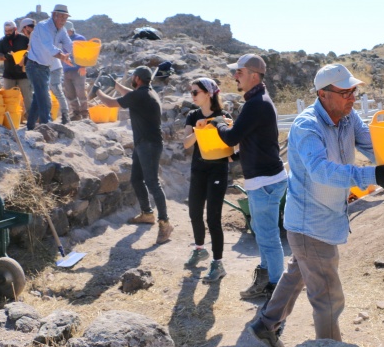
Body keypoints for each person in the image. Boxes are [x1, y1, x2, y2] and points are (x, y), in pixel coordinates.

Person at [248, 63, 384, 347]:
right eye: (345, 91)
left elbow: (373, 146)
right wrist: (374, 176)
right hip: (311, 225)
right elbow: (321, 171)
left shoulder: (348, 118)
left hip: (318, 222)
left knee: (297, 273)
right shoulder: (307, 126)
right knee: (328, 297)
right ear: (323, 94)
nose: (352, 97)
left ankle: (265, 323)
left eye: (354, 90)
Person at [198, 54, 287, 300]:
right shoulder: (258, 101)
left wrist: (217, 121)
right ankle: (267, 279)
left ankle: (276, 288)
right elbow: (257, 139)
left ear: (254, 75)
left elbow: (231, 137)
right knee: (263, 232)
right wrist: (237, 158)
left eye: (239, 72)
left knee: (268, 237)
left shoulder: (257, 103)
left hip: (265, 182)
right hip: (266, 180)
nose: (235, 76)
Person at [95, 66, 173, 245]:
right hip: (143, 144)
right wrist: (115, 84)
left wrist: (97, 90)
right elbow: (130, 93)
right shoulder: (147, 93)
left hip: (149, 145)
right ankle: (147, 213)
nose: (131, 79)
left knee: (153, 183)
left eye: (132, 77)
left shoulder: (140, 96)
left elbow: (110, 103)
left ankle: (165, 223)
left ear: (137, 78)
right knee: (137, 179)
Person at [183, 78, 230, 283]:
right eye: (191, 92)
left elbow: (231, 145)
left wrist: (223, 126)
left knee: (213, 218)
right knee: (194, 212)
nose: (192, 96)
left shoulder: (223, 117)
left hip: (218, 171)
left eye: (195, 92)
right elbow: (186, 144)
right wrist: (197, 130)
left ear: (208, 93)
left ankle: (218, 263)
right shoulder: (193, 116)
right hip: (198, 170)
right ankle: (200, 249)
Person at [26, 4, 73, 130]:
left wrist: (80, 55)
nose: (64, 20)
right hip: (35, 66)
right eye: (61, 16)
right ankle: (47, 127)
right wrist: (63, 56)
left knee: (38, 97)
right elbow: (49, 48)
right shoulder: (43, 27)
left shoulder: (62, 30)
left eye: (65, 17)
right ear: (54, 15)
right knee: (45, 99)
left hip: (46, 67)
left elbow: (69, 45)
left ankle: (30, 127)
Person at [0, 20, 32, 115]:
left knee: (28, 98)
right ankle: (11, 119)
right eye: (5, 31)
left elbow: (31, 51)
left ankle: (31, 118)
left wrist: (24, 58)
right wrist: (6, 56)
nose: (7, 33)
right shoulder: (1, 41)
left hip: (23, 74)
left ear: (15, 29)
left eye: (10, 31)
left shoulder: (24, 39)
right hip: (9, 74)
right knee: (9, 99)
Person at [62, 22, 89, 120]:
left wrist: (83, 66)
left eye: (65, 30)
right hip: (66, 69)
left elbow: (86, 53)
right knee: (70, 93)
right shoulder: (63, 39)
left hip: (78, 69)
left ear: (71, 30)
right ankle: (76, 113)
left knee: (81, 92)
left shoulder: (79, 38)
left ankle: (85, 113)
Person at [48, 20, 73, 124]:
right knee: (45, 93)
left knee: (57, 90)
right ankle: (47, 115)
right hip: (45, 68)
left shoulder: (59, 39)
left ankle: (65, 115)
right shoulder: (47, 36)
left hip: (55, 68)